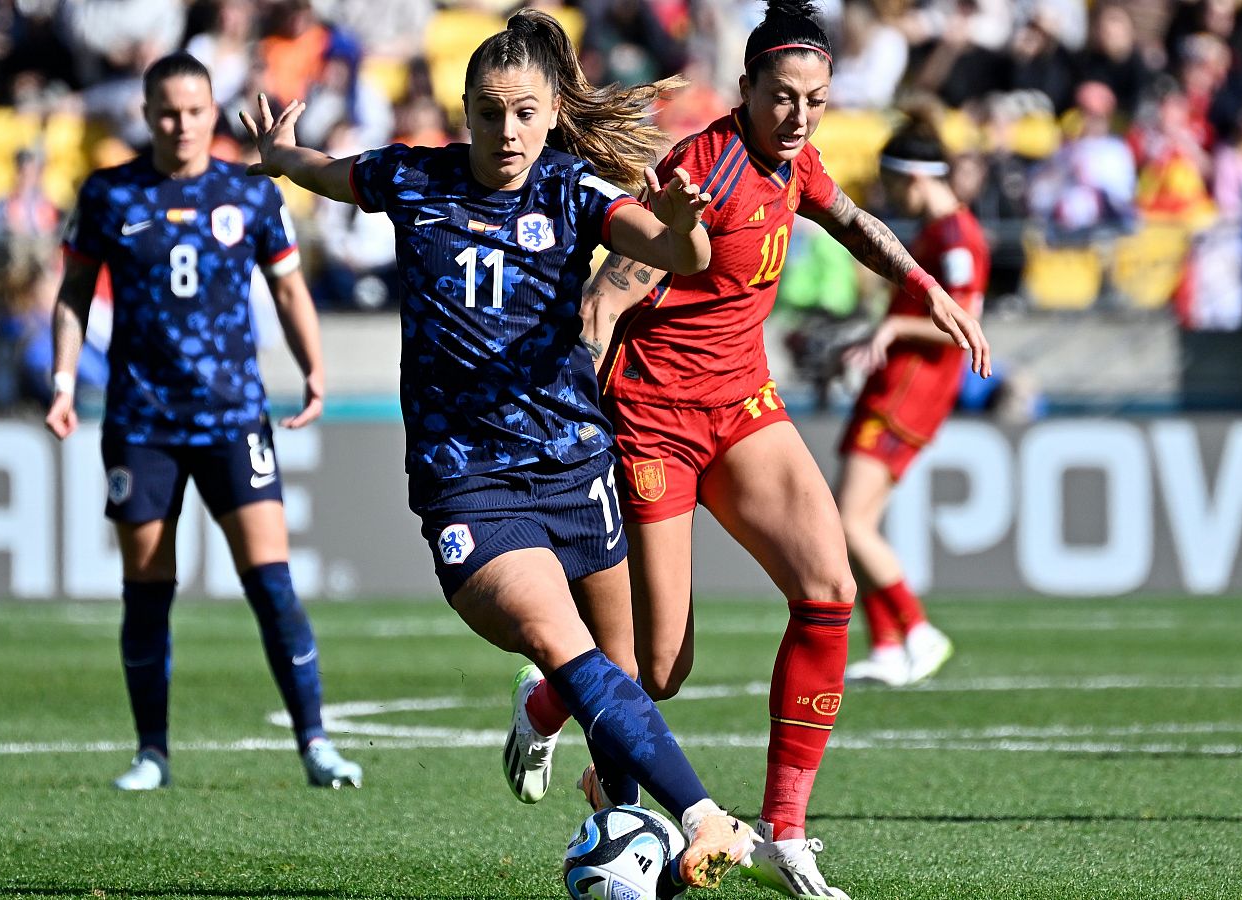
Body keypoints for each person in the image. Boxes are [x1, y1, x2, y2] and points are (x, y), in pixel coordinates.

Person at [241, 9, 762, 891]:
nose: (506, 130)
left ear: (554, 111)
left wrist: (683, 225)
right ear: (465, 111)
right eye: (489, 111)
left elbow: (680, 251)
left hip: (575, 465)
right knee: (576, 653)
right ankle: (703, 816)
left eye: (524, 112)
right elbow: (331, 176)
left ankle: (603, 807)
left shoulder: (574, 193)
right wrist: (281, 159)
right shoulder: (414, 180)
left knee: (624, 677)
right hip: (469, 483)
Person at [514, 2, 990, 898]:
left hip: (742, 406)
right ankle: (546, 696)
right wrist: (572, 400)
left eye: (815, 98)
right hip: (652, 418)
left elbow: (848, 219)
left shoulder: (796, 159)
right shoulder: (704, 172)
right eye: (782, 97)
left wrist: (922, 284)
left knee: (830, 586)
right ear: (745, 92)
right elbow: (609, 295)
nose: (800, 115)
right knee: (658, 670)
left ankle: (786, 832)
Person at [45, 52, 363, 793]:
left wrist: (315, 369)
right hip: (141, 418)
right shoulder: (108, 194)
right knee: (147, 588)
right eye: (165, 111)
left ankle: (315, 743)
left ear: (211, 110)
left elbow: (288, 290)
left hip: (233, 417)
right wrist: (63, 382)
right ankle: (151, 752)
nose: (179, 124)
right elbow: (72, 295)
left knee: (272, 583)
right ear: (146, 113)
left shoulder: (249, 191)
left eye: (193, 110)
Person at [838, 112, 989, 687]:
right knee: (854, 523)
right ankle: (888, 645)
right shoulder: (937, 234)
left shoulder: (955, 237)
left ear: (915, 177)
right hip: (894, 389)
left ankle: (918, 631)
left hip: (909, 395)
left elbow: (965, 319)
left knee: (850, 523)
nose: (891, 193)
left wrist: (895, 331)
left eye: (894, 181)